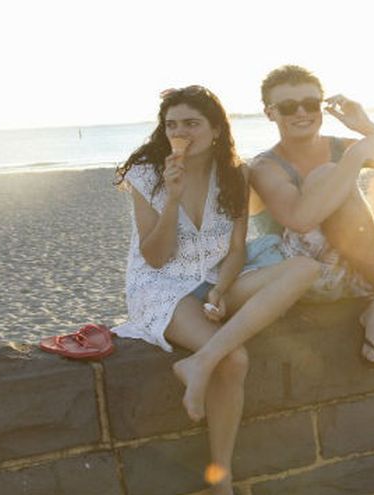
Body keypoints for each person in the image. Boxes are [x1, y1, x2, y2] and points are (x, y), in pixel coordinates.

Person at [112, 85, 319, 494]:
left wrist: (220, 292)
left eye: (192, 123)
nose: (181, 132)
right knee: (235, 359)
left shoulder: (235, 174)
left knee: (304, 268)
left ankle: (200, 362)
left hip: (215, 278)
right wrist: (172, 198)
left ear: (216, 130)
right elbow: (155, 257)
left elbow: (238, 250)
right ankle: (221, 479)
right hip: (160, 286)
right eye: (172, 124)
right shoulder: (147, 174)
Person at [249, 65, 374, 367]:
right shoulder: (265, 167)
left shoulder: (340, 146)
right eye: (288, 106)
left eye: (310, 103)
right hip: (314, 274)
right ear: (270, 113)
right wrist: (354, 158)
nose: (301, 112)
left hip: (362, 256)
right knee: (326, 176)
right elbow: (300, 220)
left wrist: (367, 126)